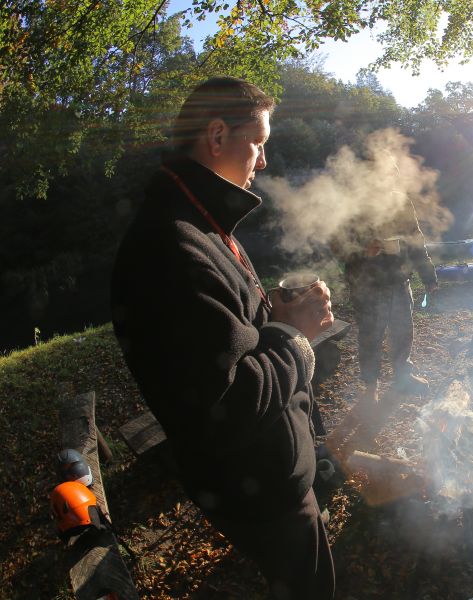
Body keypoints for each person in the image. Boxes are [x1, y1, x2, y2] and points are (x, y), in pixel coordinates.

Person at [111, 77, 335, 600]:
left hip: (265, 472)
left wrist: (272, 318)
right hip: (259, 488)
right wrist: (297, 338)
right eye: (258, 143)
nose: (263, 163)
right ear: (217, 136)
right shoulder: (170, 246)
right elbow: (225, 403)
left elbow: (223, 338)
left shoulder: (201, 220)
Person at [339, 197, 438, 404]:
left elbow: (416, 242)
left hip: (400, 283)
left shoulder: (401, 203)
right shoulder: (354, 202)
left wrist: (428, 275)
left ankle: (403, 376)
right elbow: (339, 246)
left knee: (403, 332)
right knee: (370, 337)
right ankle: (370, 387)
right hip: (367, 286)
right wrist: (364, 252)